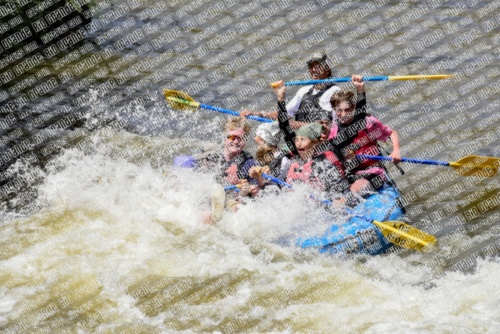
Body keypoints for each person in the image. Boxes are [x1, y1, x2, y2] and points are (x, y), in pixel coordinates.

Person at [328, 80, 402, 194]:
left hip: (373, 173)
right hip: (349, 174)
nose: (343, 114)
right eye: (339, 110)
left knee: (351, 192)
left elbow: (391, 133)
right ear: (334, 110)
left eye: (347, 109)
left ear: (353, 107)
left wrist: (396, 150)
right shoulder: (333, 130)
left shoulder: (368, 122)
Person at [240, 51, 343, 129]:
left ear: (327, 69)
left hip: (323, 143)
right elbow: (283, 115)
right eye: (311, 66)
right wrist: (255, 114)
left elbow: (325, 126)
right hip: (302, 142)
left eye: (318, 66)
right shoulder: (304, 90)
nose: (313, 70)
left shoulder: (335, 91)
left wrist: (289, 123)